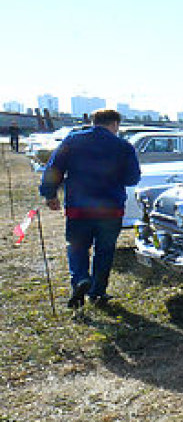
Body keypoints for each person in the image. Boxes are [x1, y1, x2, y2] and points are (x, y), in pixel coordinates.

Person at [38, 109, 141, 309]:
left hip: (79, 207)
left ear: (94, 122)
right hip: (110, 210)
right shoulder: (123, 146)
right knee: (105, 250)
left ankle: (80, 279)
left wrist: (50, 194)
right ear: (115, 125)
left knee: (77, 246)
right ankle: (98, 291)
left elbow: (54, 168)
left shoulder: (73, 140)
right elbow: (132, 178)